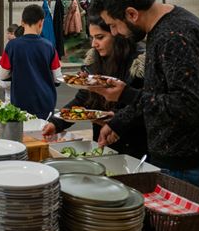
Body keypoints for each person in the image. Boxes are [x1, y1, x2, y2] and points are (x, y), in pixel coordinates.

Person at [89, 0, 199, 194]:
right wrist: (120, 121)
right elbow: (159, 93)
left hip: (187, 167)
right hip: (191, 162)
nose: (114, 33)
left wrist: (127, 95)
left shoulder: (173, 36)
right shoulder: (170, 24)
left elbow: (188, 106)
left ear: (132, 14)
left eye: (114, 25)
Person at [42, 16, 147, 158]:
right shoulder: (93, 63)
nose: (94, 44)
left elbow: (144, 106)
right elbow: (83, 99)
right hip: (102, 140)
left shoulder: (139, 64)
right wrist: (56, 123)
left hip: (133, 144)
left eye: (100, 37)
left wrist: (117, 120)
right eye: (92, 38)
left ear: (117, 34)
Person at [0, 5, 62, 118]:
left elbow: (3, 75)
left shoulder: (12, 46)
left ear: (22, 22)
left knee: (23, 133)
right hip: (45, 102)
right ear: (41, 22)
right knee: (44, 133)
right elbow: (57, 79)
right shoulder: (49, 46)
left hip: (21, 102)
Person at [0, 24, 21, 102]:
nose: (7, 35)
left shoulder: (11, 45)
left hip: (12, 93)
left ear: (13, 33)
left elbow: (4, 81)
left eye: (8, 33)